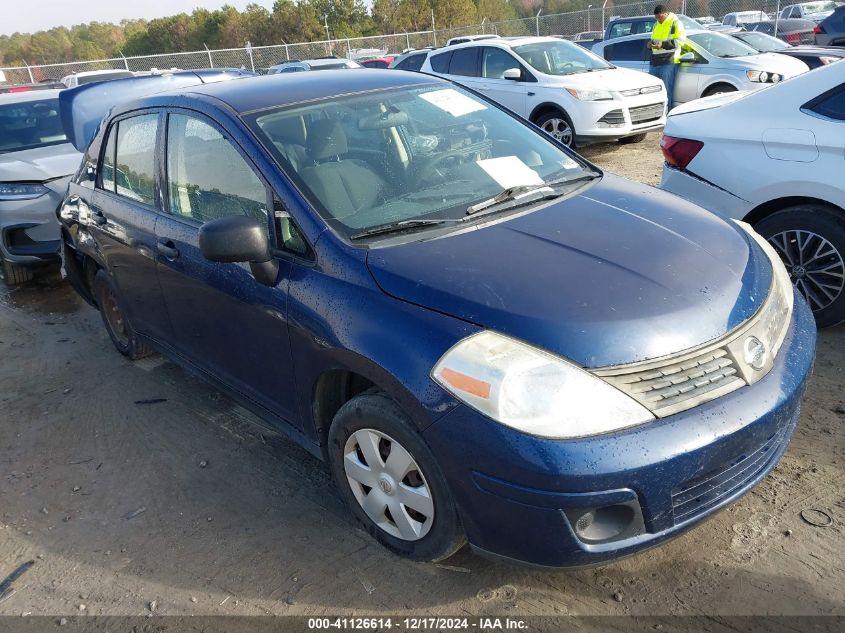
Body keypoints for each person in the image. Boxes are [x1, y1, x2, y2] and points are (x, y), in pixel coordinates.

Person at [647, 4, 687, 109]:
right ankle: (654, 115)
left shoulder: (675, 23)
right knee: (653, 92)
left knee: (666, 92)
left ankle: (666, 114)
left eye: (660, 17)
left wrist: (663, 45)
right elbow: (654, 40)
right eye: (656, 17)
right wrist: (650, 45)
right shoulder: (656, 24)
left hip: (669, 61)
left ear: (665, 14)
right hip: (654, 62)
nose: (658, 20)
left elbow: (681, 41)